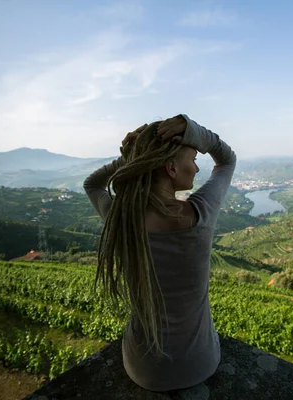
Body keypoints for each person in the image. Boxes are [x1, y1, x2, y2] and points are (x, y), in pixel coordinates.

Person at [83, 114, 236, 392]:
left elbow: (92, 184)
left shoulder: (119, 216)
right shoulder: (199, 212)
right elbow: (226, 160)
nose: (197, 169)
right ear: (171, 169)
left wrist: (134, 155)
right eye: (193, 160)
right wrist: (196, 132)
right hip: (199, 364)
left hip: (140, 368)